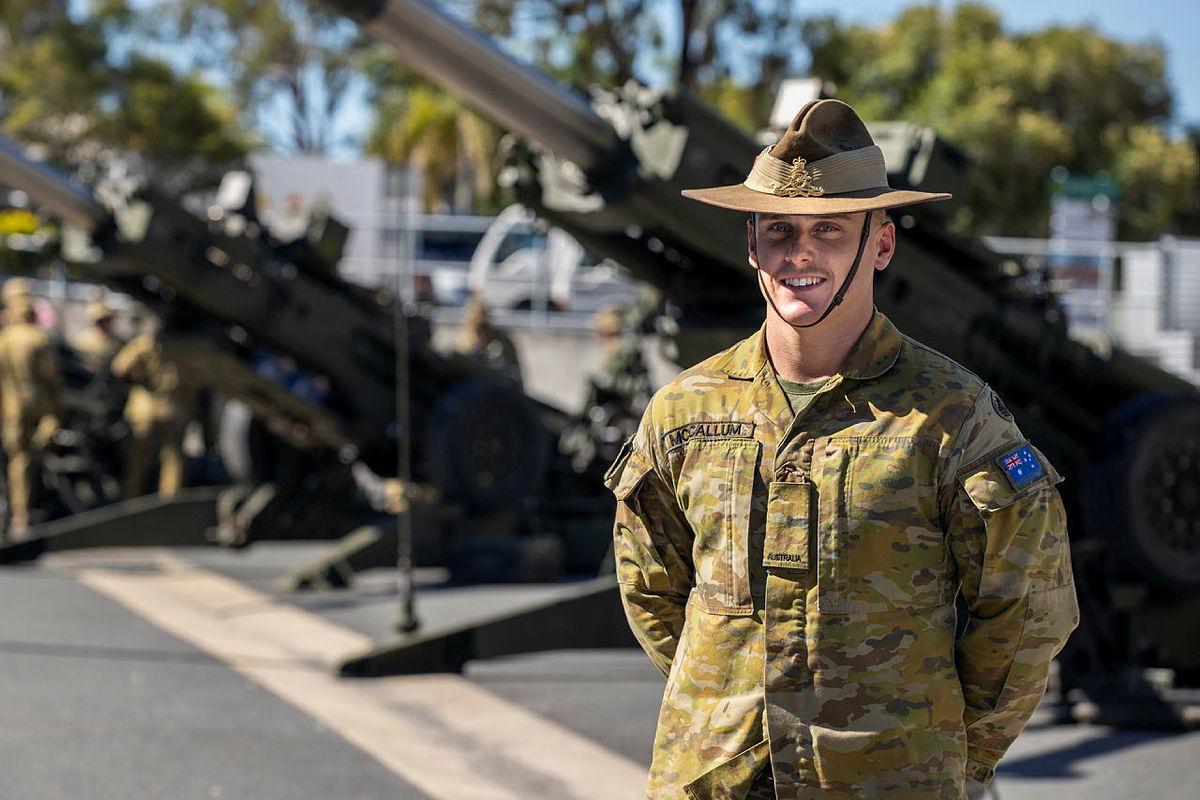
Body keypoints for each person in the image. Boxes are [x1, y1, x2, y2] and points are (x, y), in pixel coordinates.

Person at [604, 99, 1078, 799]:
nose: (800, 254)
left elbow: (1026, 612)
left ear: (880, 245)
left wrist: (941, 753)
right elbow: (653, 590)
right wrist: (725, 705)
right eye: (780, 230)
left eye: (829, 229)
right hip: (713, 779)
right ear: (752, 244)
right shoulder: (685, 410)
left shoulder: (952, 416)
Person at [0, 294, 61, 537]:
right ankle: (24, 513)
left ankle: (18, 512)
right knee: (33, 454)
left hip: (12, 406)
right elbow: (51, 376)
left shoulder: (4, 339)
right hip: (40, 404)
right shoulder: (39, 338)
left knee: (17, 457)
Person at [110, 315, 187, 499]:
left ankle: (131, 499)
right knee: (172, 459)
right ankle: (170, 500)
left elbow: (119, 368)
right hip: (172, 406)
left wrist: (139, 375)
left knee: (137, 457)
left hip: (145, 406)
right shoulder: (181, 347)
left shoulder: (144, 344)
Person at [457, 298, 522, 384]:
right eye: (478, 328)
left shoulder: (502, 342)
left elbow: (515, 374)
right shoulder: (464, 344)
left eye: (485, 327)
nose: (482, 333)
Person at [72, 298, 122, 375]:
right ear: (98, 321)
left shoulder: (115, 342)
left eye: (109, 320)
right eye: (105, 320)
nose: (109, 323)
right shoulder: (83, 341)